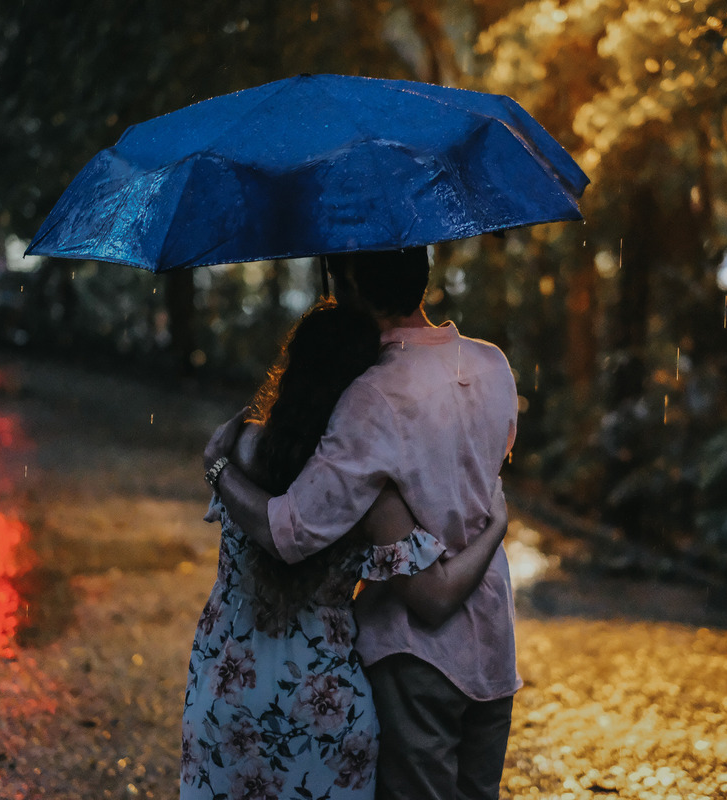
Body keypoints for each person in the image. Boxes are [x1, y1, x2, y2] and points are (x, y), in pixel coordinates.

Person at [204, 247, 519, 800]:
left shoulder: (373, 394)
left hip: (414, 653)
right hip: (493, 639)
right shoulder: (492, 363)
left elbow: (292, 531)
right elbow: (486, 473)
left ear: (350, 282)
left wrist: (218, 469)